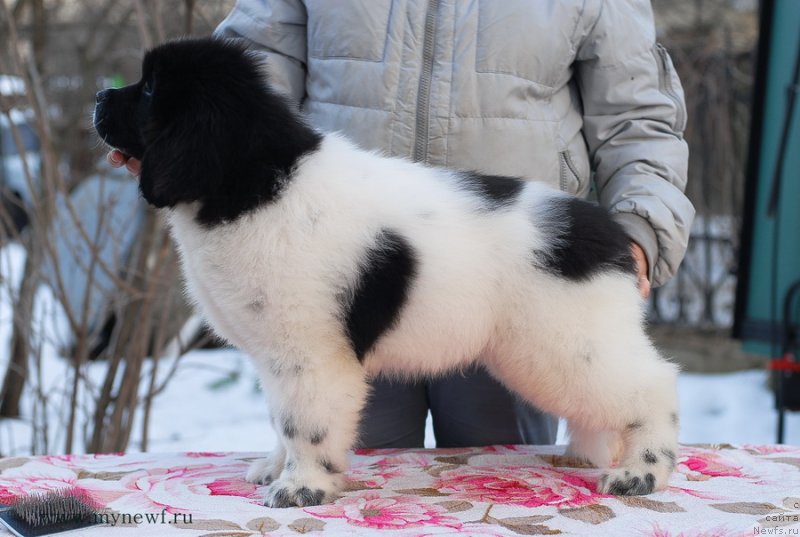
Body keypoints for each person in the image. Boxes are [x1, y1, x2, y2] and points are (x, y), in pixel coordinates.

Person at [108, 0, 694, 449]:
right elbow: (249, 70)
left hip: (511, 265)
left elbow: (638, 114)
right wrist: (180, 142)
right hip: (335, 258)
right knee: (344, 484)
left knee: (502, 487)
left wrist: (641, 228)